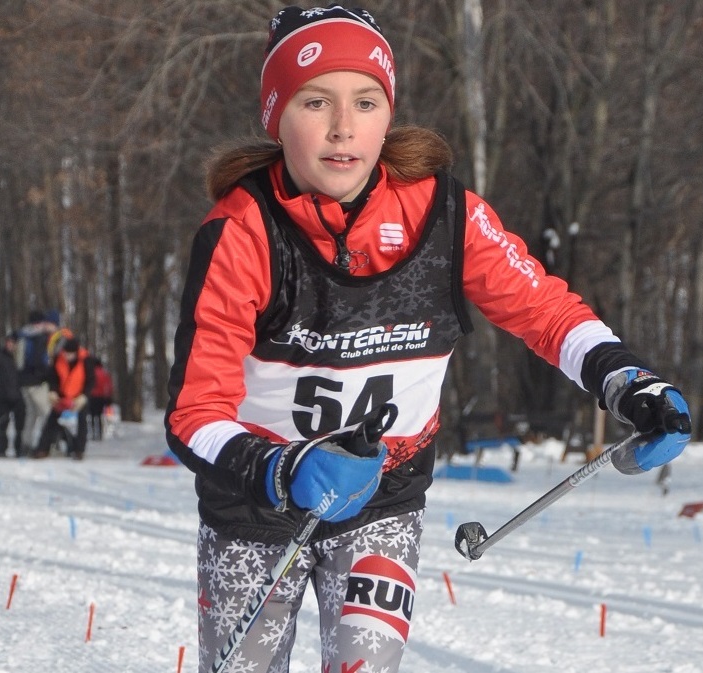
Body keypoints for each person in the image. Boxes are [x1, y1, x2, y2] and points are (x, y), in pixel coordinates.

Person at [164, 6, 692, 673]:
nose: (342, 127)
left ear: (388, 112)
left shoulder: (444, 214)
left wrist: (628, 381)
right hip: (255, 503)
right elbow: (193, 414)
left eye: (365, 101)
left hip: (381, 498)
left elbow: (545, 311)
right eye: (313, 101)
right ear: (276, 114)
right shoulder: (243, 230)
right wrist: (282, 468)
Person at [31, 337, 95, 460]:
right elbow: (53, 378)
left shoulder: (87, 360)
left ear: (76, 353)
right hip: (62, 397)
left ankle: (79, 451)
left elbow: (90, 381)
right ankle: (42, 449)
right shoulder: (58, 359)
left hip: (79, 397)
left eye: (70, 354)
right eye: (65, 353)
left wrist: (84, 396)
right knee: (51, 422)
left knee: (82, 423)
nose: (67, 356)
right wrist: (53, 392)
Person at [15, 310, 57, 450]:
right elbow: (40, 361)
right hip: (37, 382)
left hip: (23, 382)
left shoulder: (23, 336)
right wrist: (46, 375)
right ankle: (47, 445)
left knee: (31, 414)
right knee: (46, 414)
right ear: (38, 323)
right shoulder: (38, 338)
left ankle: (25, 444)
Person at [87, 356, 114, 441]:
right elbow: (109, 386)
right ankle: (100, 433)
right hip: (101, 397)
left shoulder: (90, 373)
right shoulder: (104, 373)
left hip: (91, 397)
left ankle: (93, 432)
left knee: (91, 415)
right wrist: (108, 396)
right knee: (99, 415)